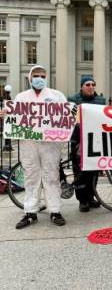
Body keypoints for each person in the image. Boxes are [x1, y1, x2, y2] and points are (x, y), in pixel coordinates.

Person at [1, 66, 67, 229]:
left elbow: (67, 116)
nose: (39, 78)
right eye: (36, 75)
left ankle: (55, 210)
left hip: (50, 144)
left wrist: (73, 114)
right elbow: (14, 115)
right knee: (31, 176)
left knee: (51, 176)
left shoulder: (56, 96)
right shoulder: (21, 97)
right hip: (28, 143)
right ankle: (30, 212)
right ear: (30, 78)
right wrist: (5, 114)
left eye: (42, 76)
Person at [68, 75, 106, 212]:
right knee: (80, 172)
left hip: (94, 140)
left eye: (92, 84)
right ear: (81, 87)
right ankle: (82, 200)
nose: (91, 87)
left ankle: (91, 197)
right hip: (78, 140)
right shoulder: (73, 100)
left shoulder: (101, 101)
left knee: (93, 171)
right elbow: (69, 119)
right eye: (87, 85)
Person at [1, 84, 13, 151]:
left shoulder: (6, 98)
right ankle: (7, 145)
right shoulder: (7, 98)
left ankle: (7, 145)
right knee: (7, 130)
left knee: (7, 130)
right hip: (6, 118)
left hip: (8, 118)